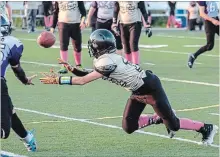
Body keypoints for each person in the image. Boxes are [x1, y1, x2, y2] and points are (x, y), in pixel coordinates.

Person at [40, 29, 218, 145]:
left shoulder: (106, 61)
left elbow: (84, 81)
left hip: (150, 88)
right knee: (128, 126)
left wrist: (58, 80)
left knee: (175, 125)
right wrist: (74, 70)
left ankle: (206, 127)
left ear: (98, 47)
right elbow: (88, 73)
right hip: (137, 90)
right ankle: (158, 118)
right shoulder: (106, 59)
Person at [1, 15, 37, 152]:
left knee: (9, 113)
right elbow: (17, 68)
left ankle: (28, 138)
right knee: (4, 126)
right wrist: (25, 80)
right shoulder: (12, 42)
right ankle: (28, 138)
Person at [51, 1, 86, 74]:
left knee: (77, 46)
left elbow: (83, 12)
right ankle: (64, 65)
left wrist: (82, 21)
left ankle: (78, 65)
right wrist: (52, 27)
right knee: (63, 45)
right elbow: (55, 12)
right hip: (63, 24)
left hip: (76, 24)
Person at [188, 1, 219, 68]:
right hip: (209, 22)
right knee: (210, 46)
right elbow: (202, 13)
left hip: (216, 20)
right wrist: (213, 20)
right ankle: (193, 56)